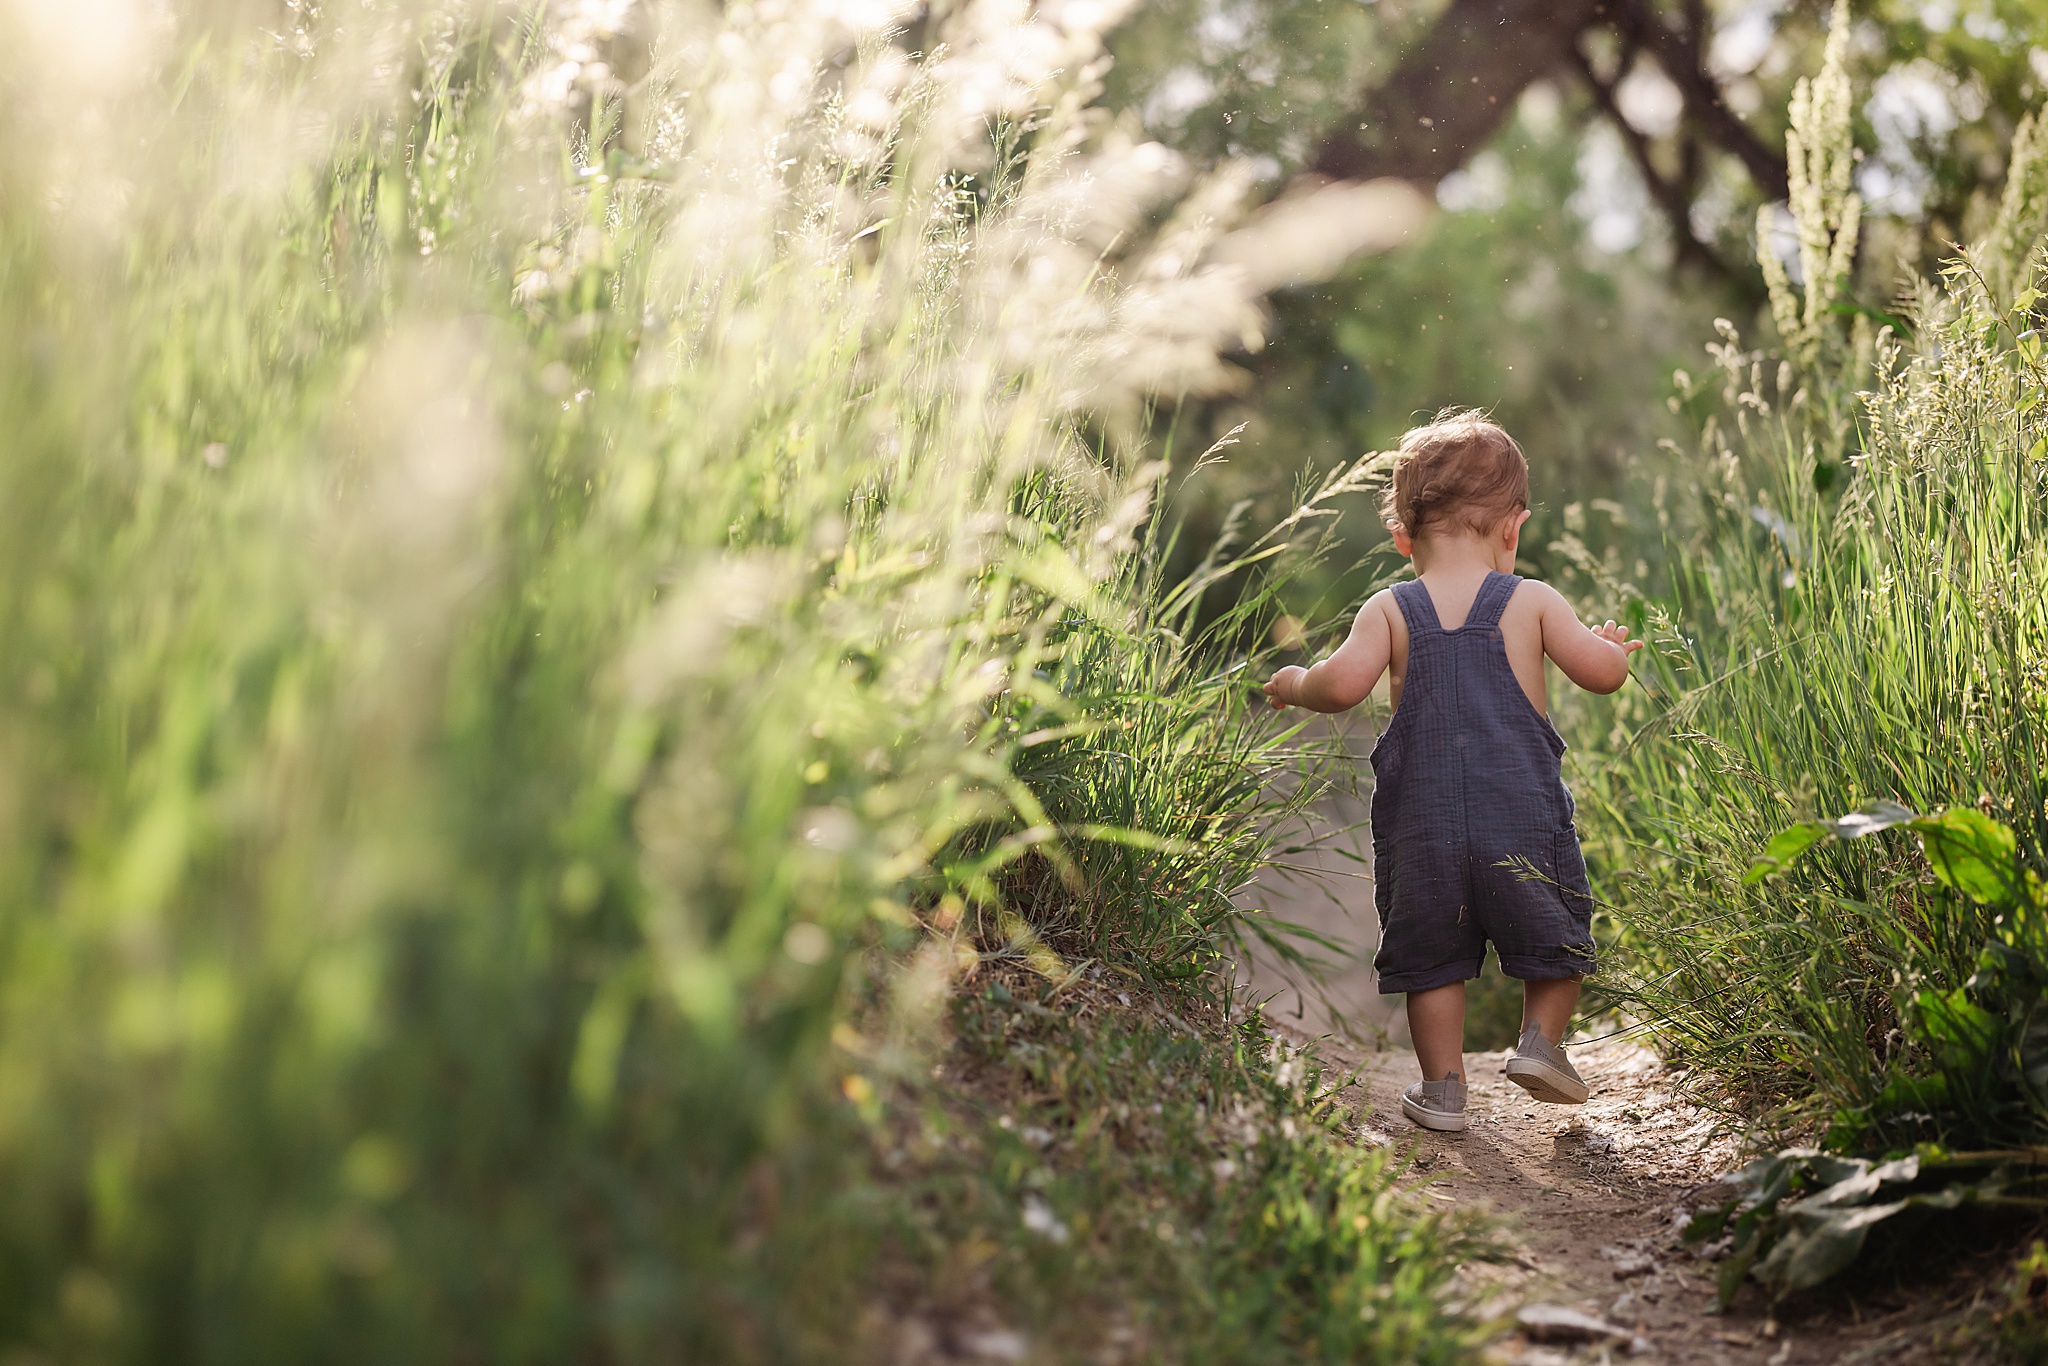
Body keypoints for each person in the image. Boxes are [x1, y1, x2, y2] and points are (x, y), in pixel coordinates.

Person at [1263, 411, 1641, 1132]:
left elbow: (1341, 688)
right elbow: (1600, 674)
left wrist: (1297, 681)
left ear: (1403, 539)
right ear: (1513, 529)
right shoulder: (1531, 600)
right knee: (1552, 934)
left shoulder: (1391, 609)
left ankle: (1442, 1091)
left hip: (1424, 825)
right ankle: (1540, 1044)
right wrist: (1613, 650)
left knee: (1432, 956)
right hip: (1522, 816)